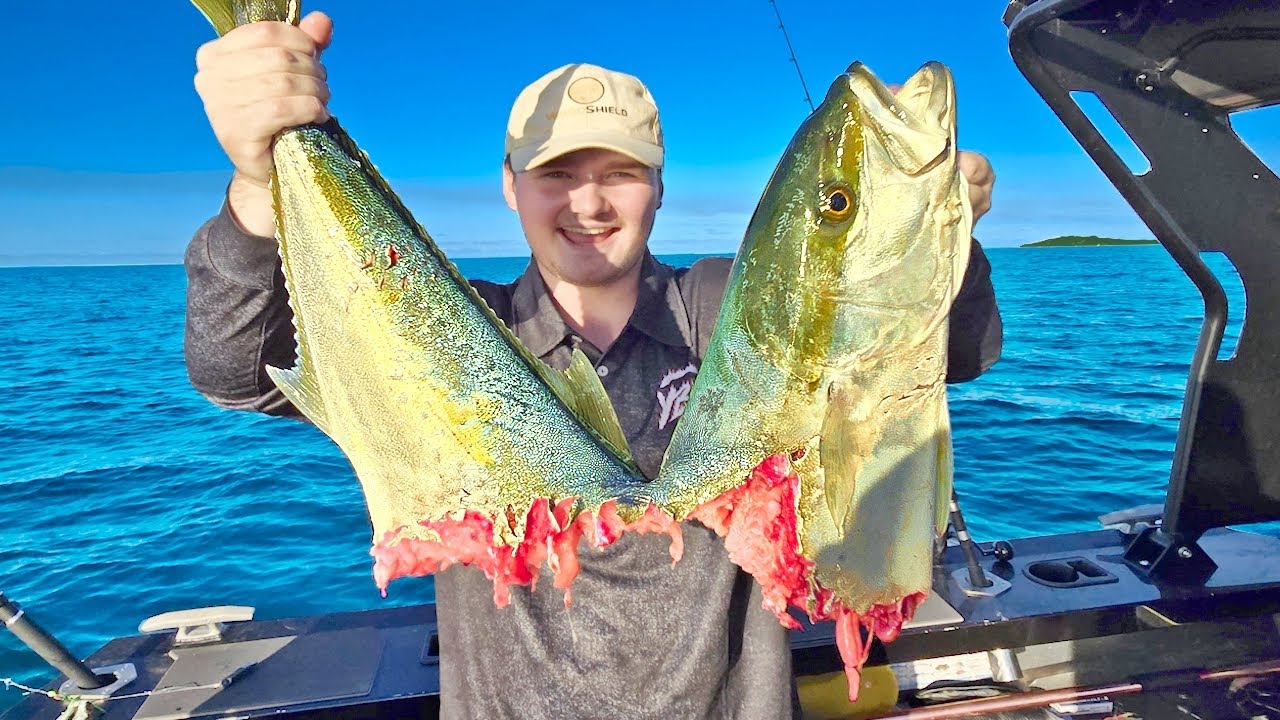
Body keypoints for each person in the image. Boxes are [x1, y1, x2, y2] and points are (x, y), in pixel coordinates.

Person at [185, 11, 1002, 719]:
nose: (588, 203)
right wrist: (260, 184)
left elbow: (957, 351)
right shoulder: (457, 326)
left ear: (657, 187)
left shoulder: (727, 306)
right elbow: (235, 371)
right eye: (557, 176)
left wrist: (938, 241)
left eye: (619, 174)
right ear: (510, 187)